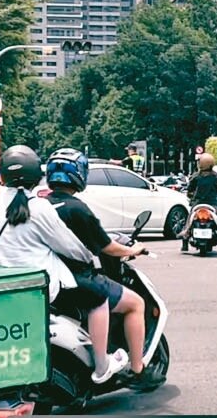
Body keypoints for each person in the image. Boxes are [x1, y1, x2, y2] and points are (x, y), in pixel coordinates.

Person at [0, 145, 127, 384]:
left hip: (6, 282)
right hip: (42, 286)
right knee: (99, 296)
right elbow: (70, 247)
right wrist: (88, 257)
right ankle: (102, 365)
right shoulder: (38, 207)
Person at [44, 148, 157, 390]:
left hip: (52, 279)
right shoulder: (77, 208)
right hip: (78, 278)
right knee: (136, 304)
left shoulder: (41, 205)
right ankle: (137, 370)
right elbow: (106, 246)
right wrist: (133, 250)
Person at [180, 153, 217, 253]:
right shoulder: (215, 176)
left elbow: (190, 189)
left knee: (188, 222)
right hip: (213, 204)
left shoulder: (196, 176)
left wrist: (191, 195)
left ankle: (185, 243)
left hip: (198, 203)